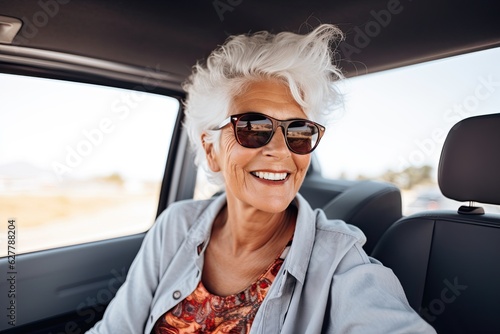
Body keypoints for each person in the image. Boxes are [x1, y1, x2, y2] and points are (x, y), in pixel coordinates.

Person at [86, 24, 436, 333]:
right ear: (211, 149)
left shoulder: (339, 259)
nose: (281, 151)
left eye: (298, 131)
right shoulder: (175, 227)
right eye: (254, 128)